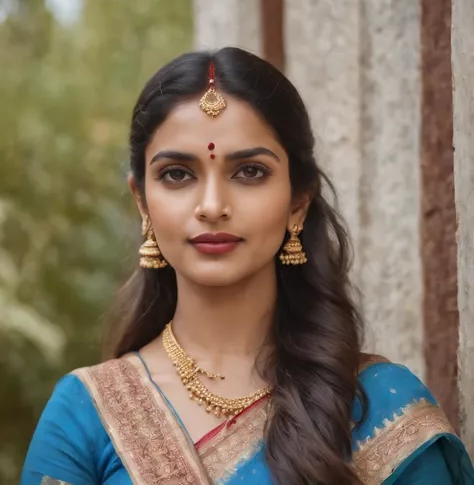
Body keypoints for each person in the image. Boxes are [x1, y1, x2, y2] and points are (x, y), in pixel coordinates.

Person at [21, 47, 473, 485]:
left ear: (299, 201)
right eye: (177, 174)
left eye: (249, 172)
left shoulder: (382, 411)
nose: (213, 206)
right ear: (142, 200)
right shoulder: (90, 414)